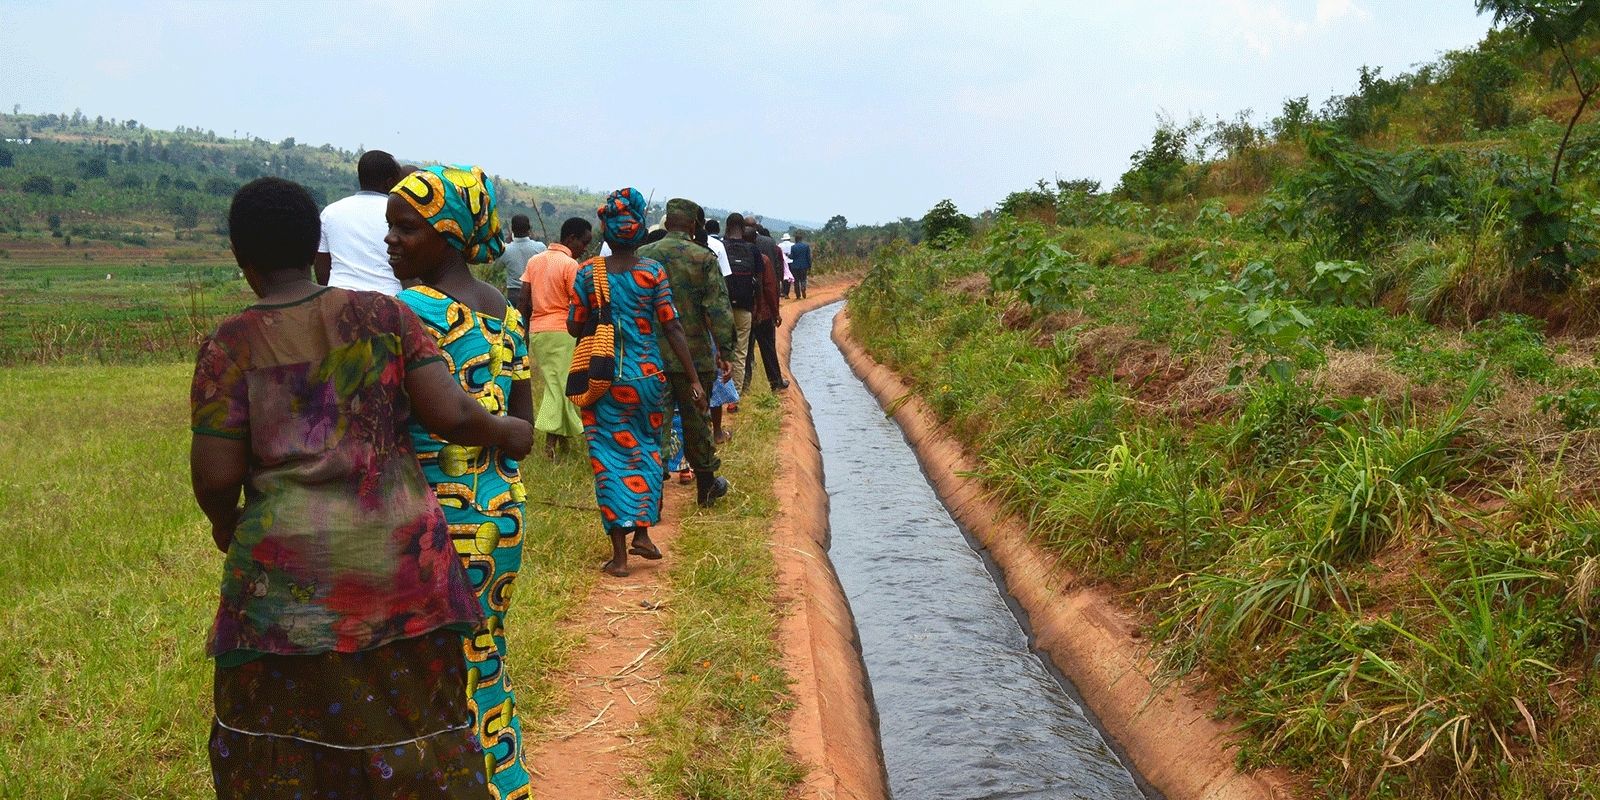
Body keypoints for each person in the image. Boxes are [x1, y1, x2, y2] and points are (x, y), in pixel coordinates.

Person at [192, 177, 533, 799]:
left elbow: (216, 476)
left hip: (281, 579)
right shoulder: (386, 314)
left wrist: (226, 523)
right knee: (423, 729)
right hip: (405, 569)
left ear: (242, 259)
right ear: (317, 253)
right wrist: (513, 432)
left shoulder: (230, 344)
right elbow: (448, 413)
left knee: (278, 746)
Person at [387, 164, 536, 800]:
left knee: (428, 672)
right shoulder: (505, 312)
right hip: (501, 515)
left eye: (408, 228)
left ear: (448, 234)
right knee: (484, 653)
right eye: (391, 227)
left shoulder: (410, 310)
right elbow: (525, 427)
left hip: (437, 519)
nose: (392, 240)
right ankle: (505, 781)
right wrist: (497, 436)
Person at [570, 188, 702, 578]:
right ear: (641, 230)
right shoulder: (652, 273)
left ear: (605, 230)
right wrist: (693, 378)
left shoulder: (588, 273)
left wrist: (599, 315)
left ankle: (620, 557)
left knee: (609, 462)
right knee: (645, 452)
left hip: (603, 378)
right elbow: (672, 325)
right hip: (647, 378)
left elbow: (574, 325)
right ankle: (642, 533)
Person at [638, 198, 734, 507]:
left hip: (650, 357)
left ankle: (653, 494)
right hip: (694, 357)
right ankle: (706, 486)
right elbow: (717, 308)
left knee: (655, 423)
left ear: (667, 224)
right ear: (693, 225)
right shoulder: (703, 258)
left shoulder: (643, 256)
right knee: (697, 421)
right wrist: (725, 352)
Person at [522, 217, 593, 458]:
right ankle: (549, 447)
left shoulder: (534, 261)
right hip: (563, 332)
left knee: (560, 384)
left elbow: (523, 300)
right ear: (571, 238)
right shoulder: (570, 265)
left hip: (538, 331)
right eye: (584, 243)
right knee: (559, 387)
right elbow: (579, 303)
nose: (584, 248)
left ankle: (563, 444)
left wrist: (524, 332)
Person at [314, 149, 404, 293]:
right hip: (388, 301)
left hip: (339, 300)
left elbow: (322, 268)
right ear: (390, 183)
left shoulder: (330, 212)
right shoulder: (399, 214)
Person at [742, 222, 788, 392]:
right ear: (755, 240)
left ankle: (744, 386)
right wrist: (775, 313)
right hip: (762, 312)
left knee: (744, 350)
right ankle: (775, 382)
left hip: (741, 311)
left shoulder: (732, 259)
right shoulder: (763, 259)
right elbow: (769, 287)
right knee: (767, 347)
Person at [721, 213, 762, 399]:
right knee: (741, 351)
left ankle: (720, 393)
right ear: (743, 228)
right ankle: (734, 396)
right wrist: (758, 308)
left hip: (723, 308)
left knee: (722, 349)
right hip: (745, 306)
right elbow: (759, 282)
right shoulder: (752, 250)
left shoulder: (721, 247)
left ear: (728, 226)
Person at [498, 214, 546, 312]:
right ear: (529, 228)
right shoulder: (540, 247)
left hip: (514, 294)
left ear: (512, 229)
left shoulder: (506, 250)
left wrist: (506, 242)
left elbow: (497, 268)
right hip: (535, 294)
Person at [789, 230, 813, 299]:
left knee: (796, 281)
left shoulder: (793, 247)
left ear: (796, 240)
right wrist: (809, 266)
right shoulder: (806, 246)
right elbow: (808, 257)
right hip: (804, 266)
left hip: (795, 266)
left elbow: (792, 256)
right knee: (803, 279)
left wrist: (788, 255)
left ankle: (798, 295)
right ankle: (803, 288)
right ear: (801, 239)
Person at [778, 231, 795, 298]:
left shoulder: (779, 245)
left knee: (783, 277)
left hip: (783, 263)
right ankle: (786, 293)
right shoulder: (793, 245)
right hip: (791, 262)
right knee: (789, 278)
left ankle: (782, 291)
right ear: (789, 239)